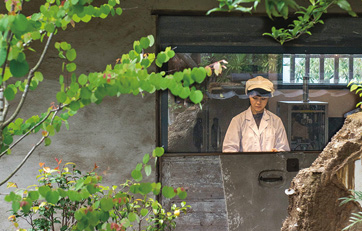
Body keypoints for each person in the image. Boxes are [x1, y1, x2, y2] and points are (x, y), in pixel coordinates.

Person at [222, 76, 290, 152]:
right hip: (245, 164)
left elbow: (284, 149)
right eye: (255, 98)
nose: (258, 102)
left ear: (268, 98)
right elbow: (229, 149)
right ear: (249, 96)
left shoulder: (276, 121)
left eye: (263, 99)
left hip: (269, 163)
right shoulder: (237, 121)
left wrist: (277, 153)